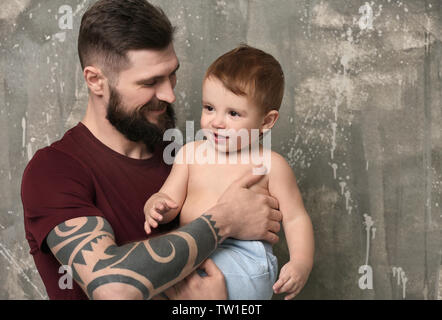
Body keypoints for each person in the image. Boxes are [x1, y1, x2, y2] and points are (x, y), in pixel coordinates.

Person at [20, 0, 282, 300]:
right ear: (96, 80)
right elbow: (112, 288)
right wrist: (226, 219)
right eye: (150, 82)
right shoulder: (55, 170)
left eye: (171, 74)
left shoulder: (185, 158)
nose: (169, 94)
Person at [144, 45, 315, 300]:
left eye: (233, 113)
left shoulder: (270, 164)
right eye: (209, 108)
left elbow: (295, 218)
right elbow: (170, 199)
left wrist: (301, 262)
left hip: (244, 256)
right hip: (196, 247)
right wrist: (157, 205)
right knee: (154, 267)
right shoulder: (190, 154)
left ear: (266, 121)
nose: (217, 121)